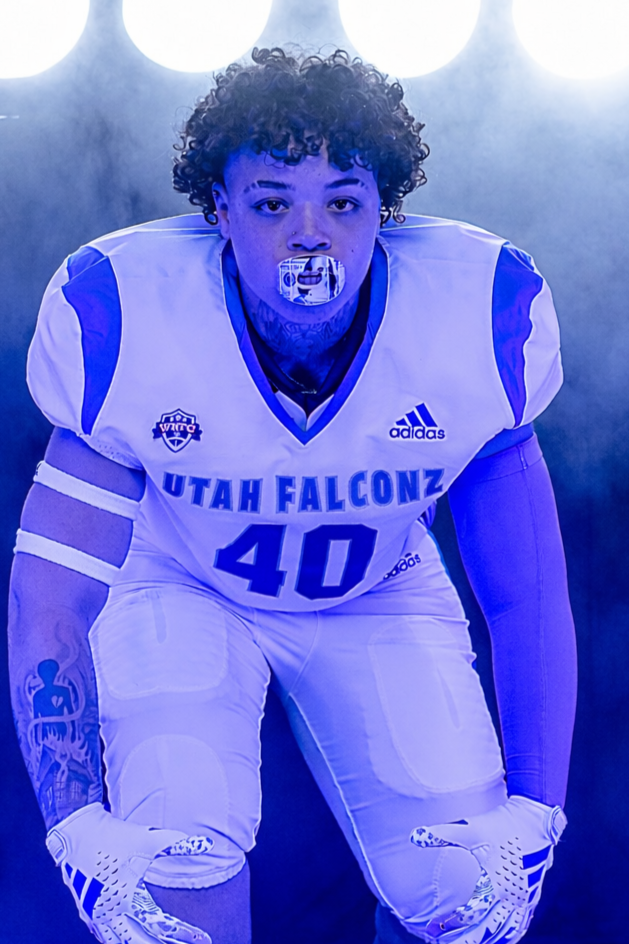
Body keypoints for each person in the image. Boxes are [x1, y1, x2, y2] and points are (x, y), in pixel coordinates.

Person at [8, 48, 577, 944]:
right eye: (274, 201)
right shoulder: (123, 313)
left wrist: (538, 805)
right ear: (218, 210)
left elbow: (525, 593)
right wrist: (74, 818)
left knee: (469, 884)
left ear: (384, 209)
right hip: (180, 582)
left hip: (377, 588)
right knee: (164, 868)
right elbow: (53, 596)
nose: (309, 236)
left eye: (342, 201)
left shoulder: (475, 314)